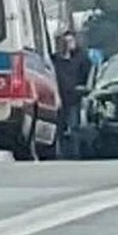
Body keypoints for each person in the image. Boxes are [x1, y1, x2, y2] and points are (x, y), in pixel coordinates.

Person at [52, 30, 92, 159]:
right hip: (58, 97)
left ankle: (75, 155)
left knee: (74, 127)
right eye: (66, 42)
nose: (68, 44)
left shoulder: (82, 58)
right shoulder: (54, 60)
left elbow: (87, 76)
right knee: (58, 128)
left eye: (70, 41)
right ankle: (60, 154)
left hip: (75, 98)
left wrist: (85, 88)